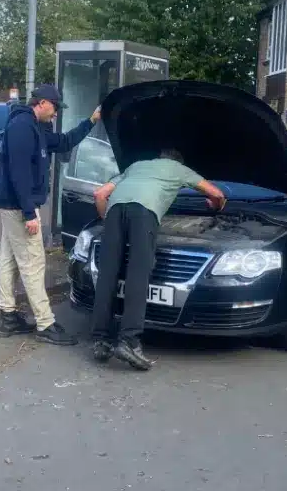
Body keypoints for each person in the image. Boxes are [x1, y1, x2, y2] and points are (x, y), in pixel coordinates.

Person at [89, 148, 227, 370]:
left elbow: (100, 194)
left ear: (159, 158)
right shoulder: (179, 169)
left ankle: (100, 340)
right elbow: (217, 194)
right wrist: (216, 206)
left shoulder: (136, 166)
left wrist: (109, 220)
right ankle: (129, 341)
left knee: (108, 274)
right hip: (144, 214)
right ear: (177, 161)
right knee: (138, 274)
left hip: (115, 211)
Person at [0, 84, 101, 345]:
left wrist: (91, 121)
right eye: (54, 108)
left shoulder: (37, 128)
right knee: (33, 261)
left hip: (16, 204)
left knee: (10, 259)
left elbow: (64, 142)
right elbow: (18, 172)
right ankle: (45, 323)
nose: (55, 114)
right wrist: (29, 212)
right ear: (41, 103)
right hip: (19, 206)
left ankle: (8, 315)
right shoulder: (21, 127)